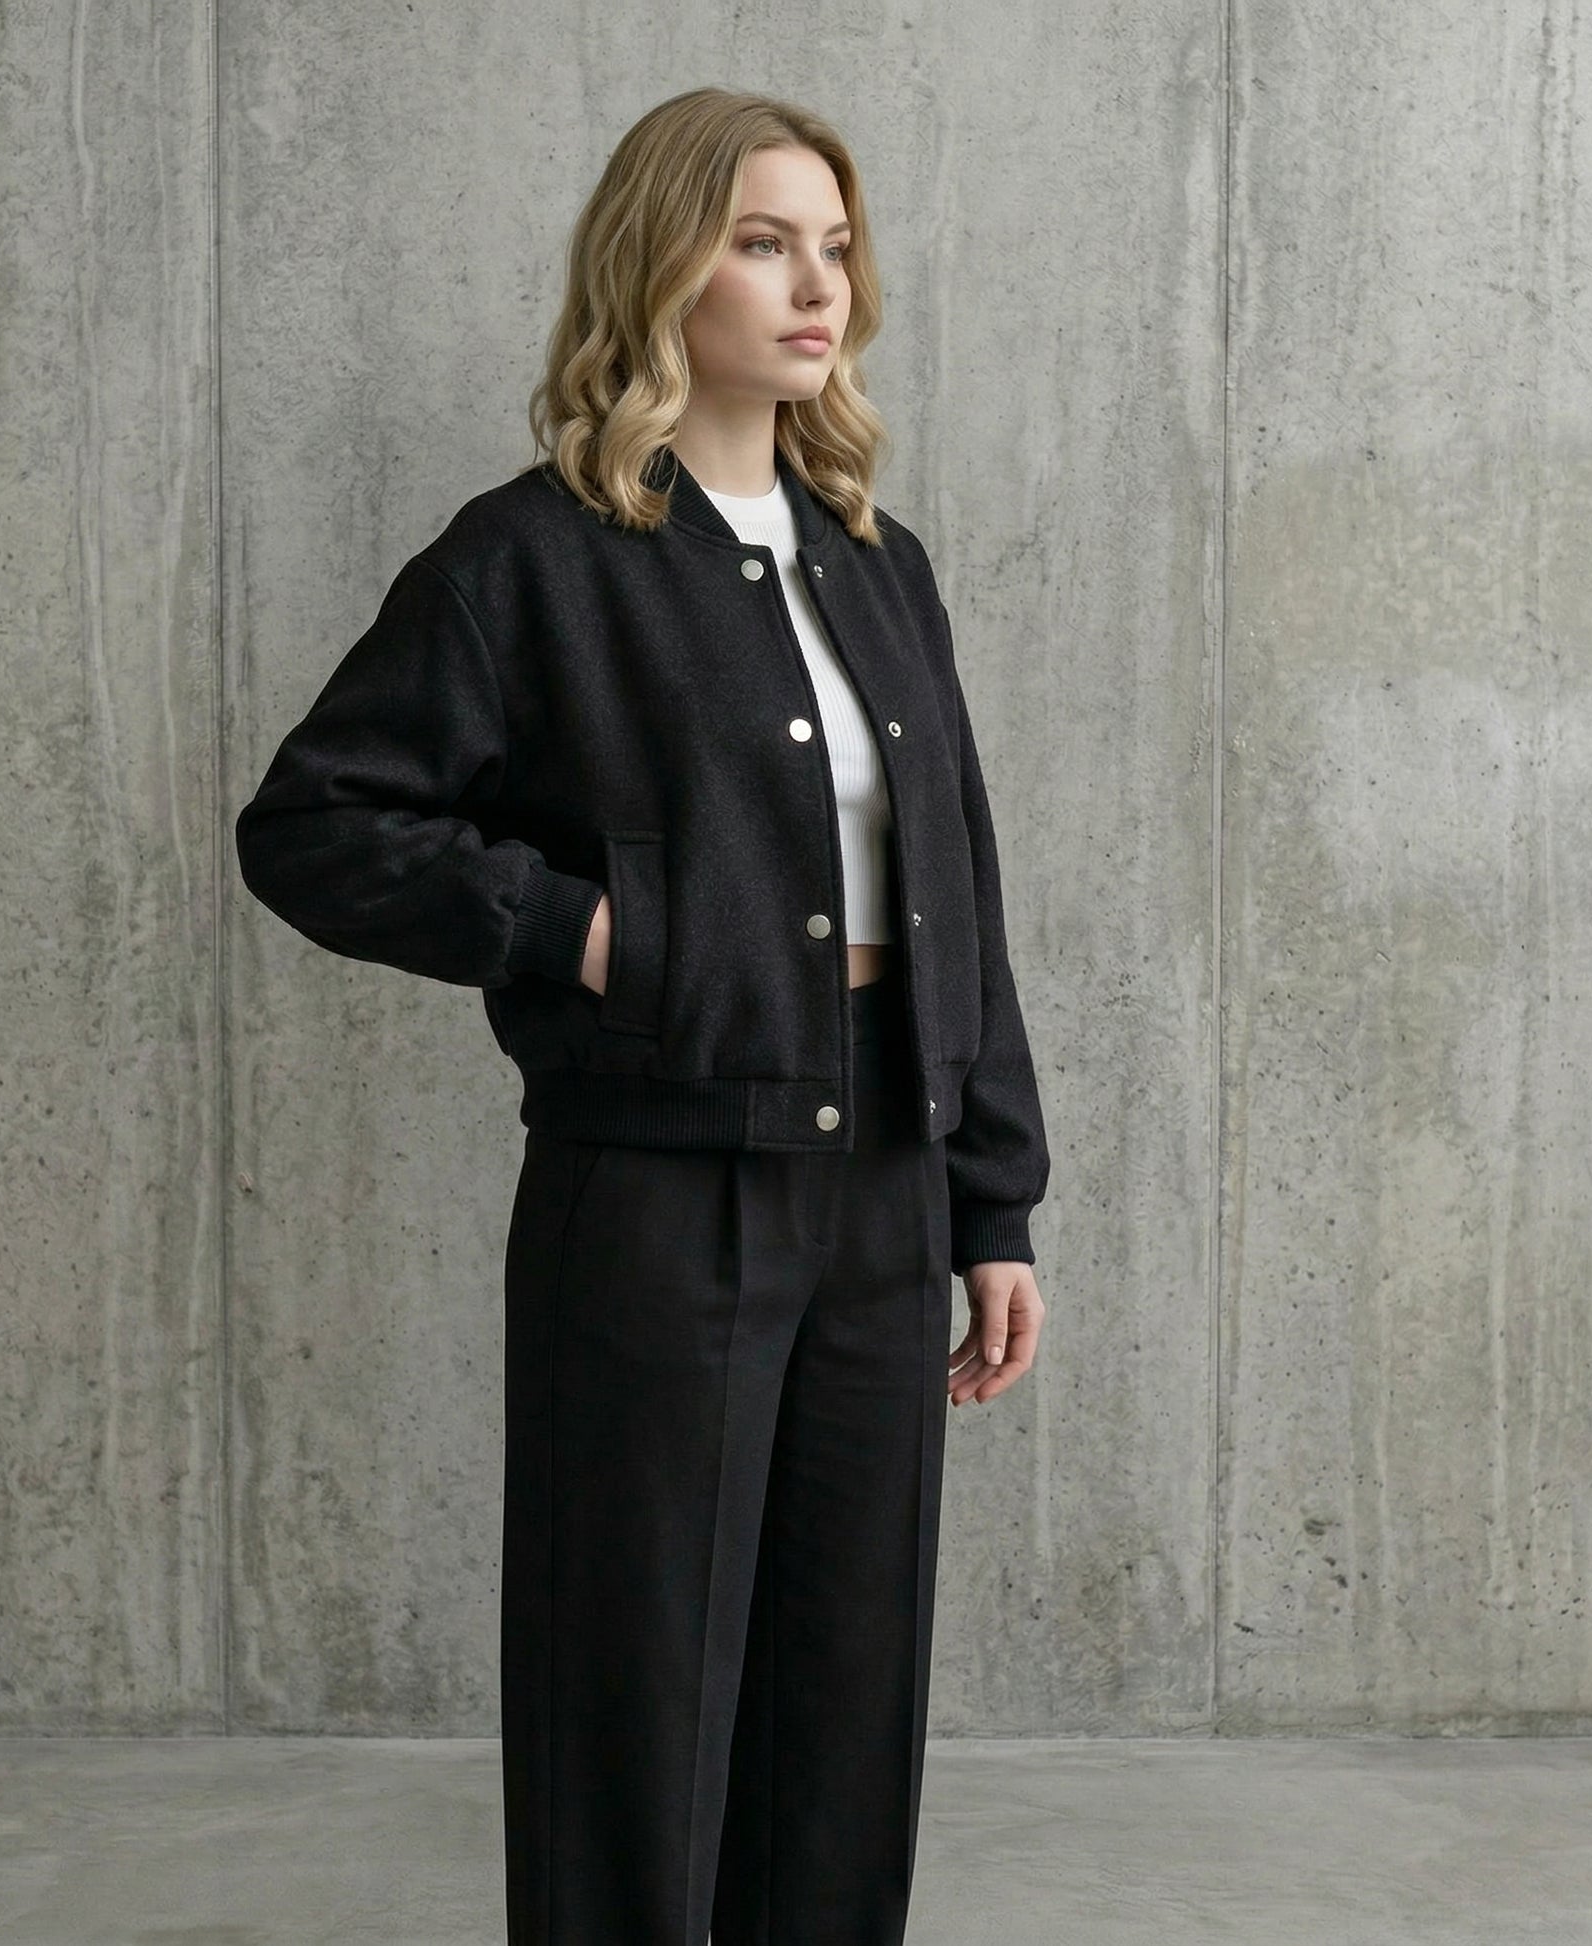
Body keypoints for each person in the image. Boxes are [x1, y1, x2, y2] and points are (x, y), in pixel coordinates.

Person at [235, 85, 1050, 1946]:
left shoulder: (876, 558)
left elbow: (957, 885)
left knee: (842, 1699)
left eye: (832, 246)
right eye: (762, 243)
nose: (815, 285)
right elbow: (314, 824)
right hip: (658, 1197)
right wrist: (588, 931)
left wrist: (991, 1197)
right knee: (635, 1696)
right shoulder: (533, 557)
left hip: (881, 1183)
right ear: (663, 262)